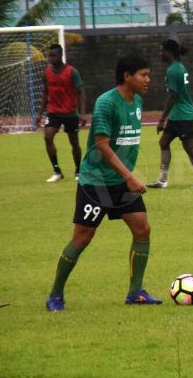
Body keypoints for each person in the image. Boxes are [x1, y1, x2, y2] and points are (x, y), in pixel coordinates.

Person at [45, 54, 162, 312]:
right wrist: (129, 176)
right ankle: (55, 294)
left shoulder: (138, 101)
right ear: (126, 76)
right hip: (96, 181)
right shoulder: (106, 103)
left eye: (148, 75)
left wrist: (126, 176)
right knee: (82, 237)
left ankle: (135, 292)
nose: (148, 79)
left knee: (142, 229)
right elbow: (101, 144)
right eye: (143, 75)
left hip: (120, 181)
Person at [146, 40, 193, 189]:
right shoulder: (177, 67)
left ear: (170, 52)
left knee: (189, 147)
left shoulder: (173, 70)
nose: (160, 54)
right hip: (178, 114)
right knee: (164, 142)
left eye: (162, 51)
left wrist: (162, 119)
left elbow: (173, 95)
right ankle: (162, 180)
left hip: (182, 114)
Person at [36, 44, 88, 182]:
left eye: (54, 55)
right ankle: (57, 171)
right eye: (49, 55)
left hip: (70, 113)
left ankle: (78, 171)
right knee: (48, 137)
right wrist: (40, 113)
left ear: (60, 55)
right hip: (53, 112)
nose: (51, 58)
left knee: (74, 143)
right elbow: (45, 93)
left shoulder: (72, 72)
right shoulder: (47, 72)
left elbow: (81, 92)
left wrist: (82, 113)